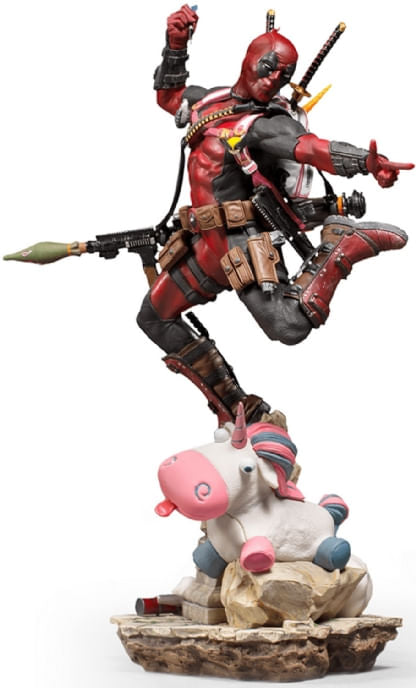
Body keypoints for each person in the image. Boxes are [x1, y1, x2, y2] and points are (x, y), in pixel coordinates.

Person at [137, 4, 412, 424]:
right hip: (204, 244)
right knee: (155, 318)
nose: (273, 80)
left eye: (284, 75)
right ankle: (239, 410)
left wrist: (366, 162)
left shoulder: (267, 123)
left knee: (288, 326)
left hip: (241, 244)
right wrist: (176, 43)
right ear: (249, 57)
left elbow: (311, 148)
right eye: (268, 68)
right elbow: (170, 97)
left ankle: (342, 245)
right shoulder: (208, 102)